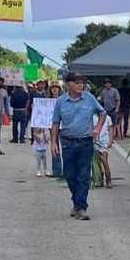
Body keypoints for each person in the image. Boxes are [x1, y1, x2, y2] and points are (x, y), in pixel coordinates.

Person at [50, 72, 107, 220]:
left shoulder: (89, 98)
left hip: (85, 141)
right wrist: (53, 143)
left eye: (82, 82)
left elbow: (102, 113)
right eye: (77, 82)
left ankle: (81, 207)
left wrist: (97, 128)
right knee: (69, 175)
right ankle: (76, 201)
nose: (80, 85)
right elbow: (55, 123)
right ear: (68, 84)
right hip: (67, 142)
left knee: (83, 175)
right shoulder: (61, 101)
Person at [48, 83, 63, 178]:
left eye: (56, 88)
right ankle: (56, 171)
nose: (54, 89)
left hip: (64, 126)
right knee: (54, 146)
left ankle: (67, 170)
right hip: (52, 125)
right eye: (52, 88)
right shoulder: (46, 101)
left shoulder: (63, 100)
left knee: (66, 147)